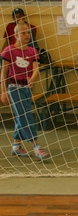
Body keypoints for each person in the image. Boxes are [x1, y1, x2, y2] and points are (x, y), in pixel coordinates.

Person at [1, 23, 50, 160]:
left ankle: (16, 146)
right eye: (23, 33)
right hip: (14, 87)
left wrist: (32, 79)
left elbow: (36, 69)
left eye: (28, 33)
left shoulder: (32, 51)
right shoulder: (8, 51)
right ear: (16, 35)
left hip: (27, 88)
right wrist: (3, 92)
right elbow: (3, 73)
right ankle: (36, 146)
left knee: (21, 116)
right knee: (25, 116)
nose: (27, 35)